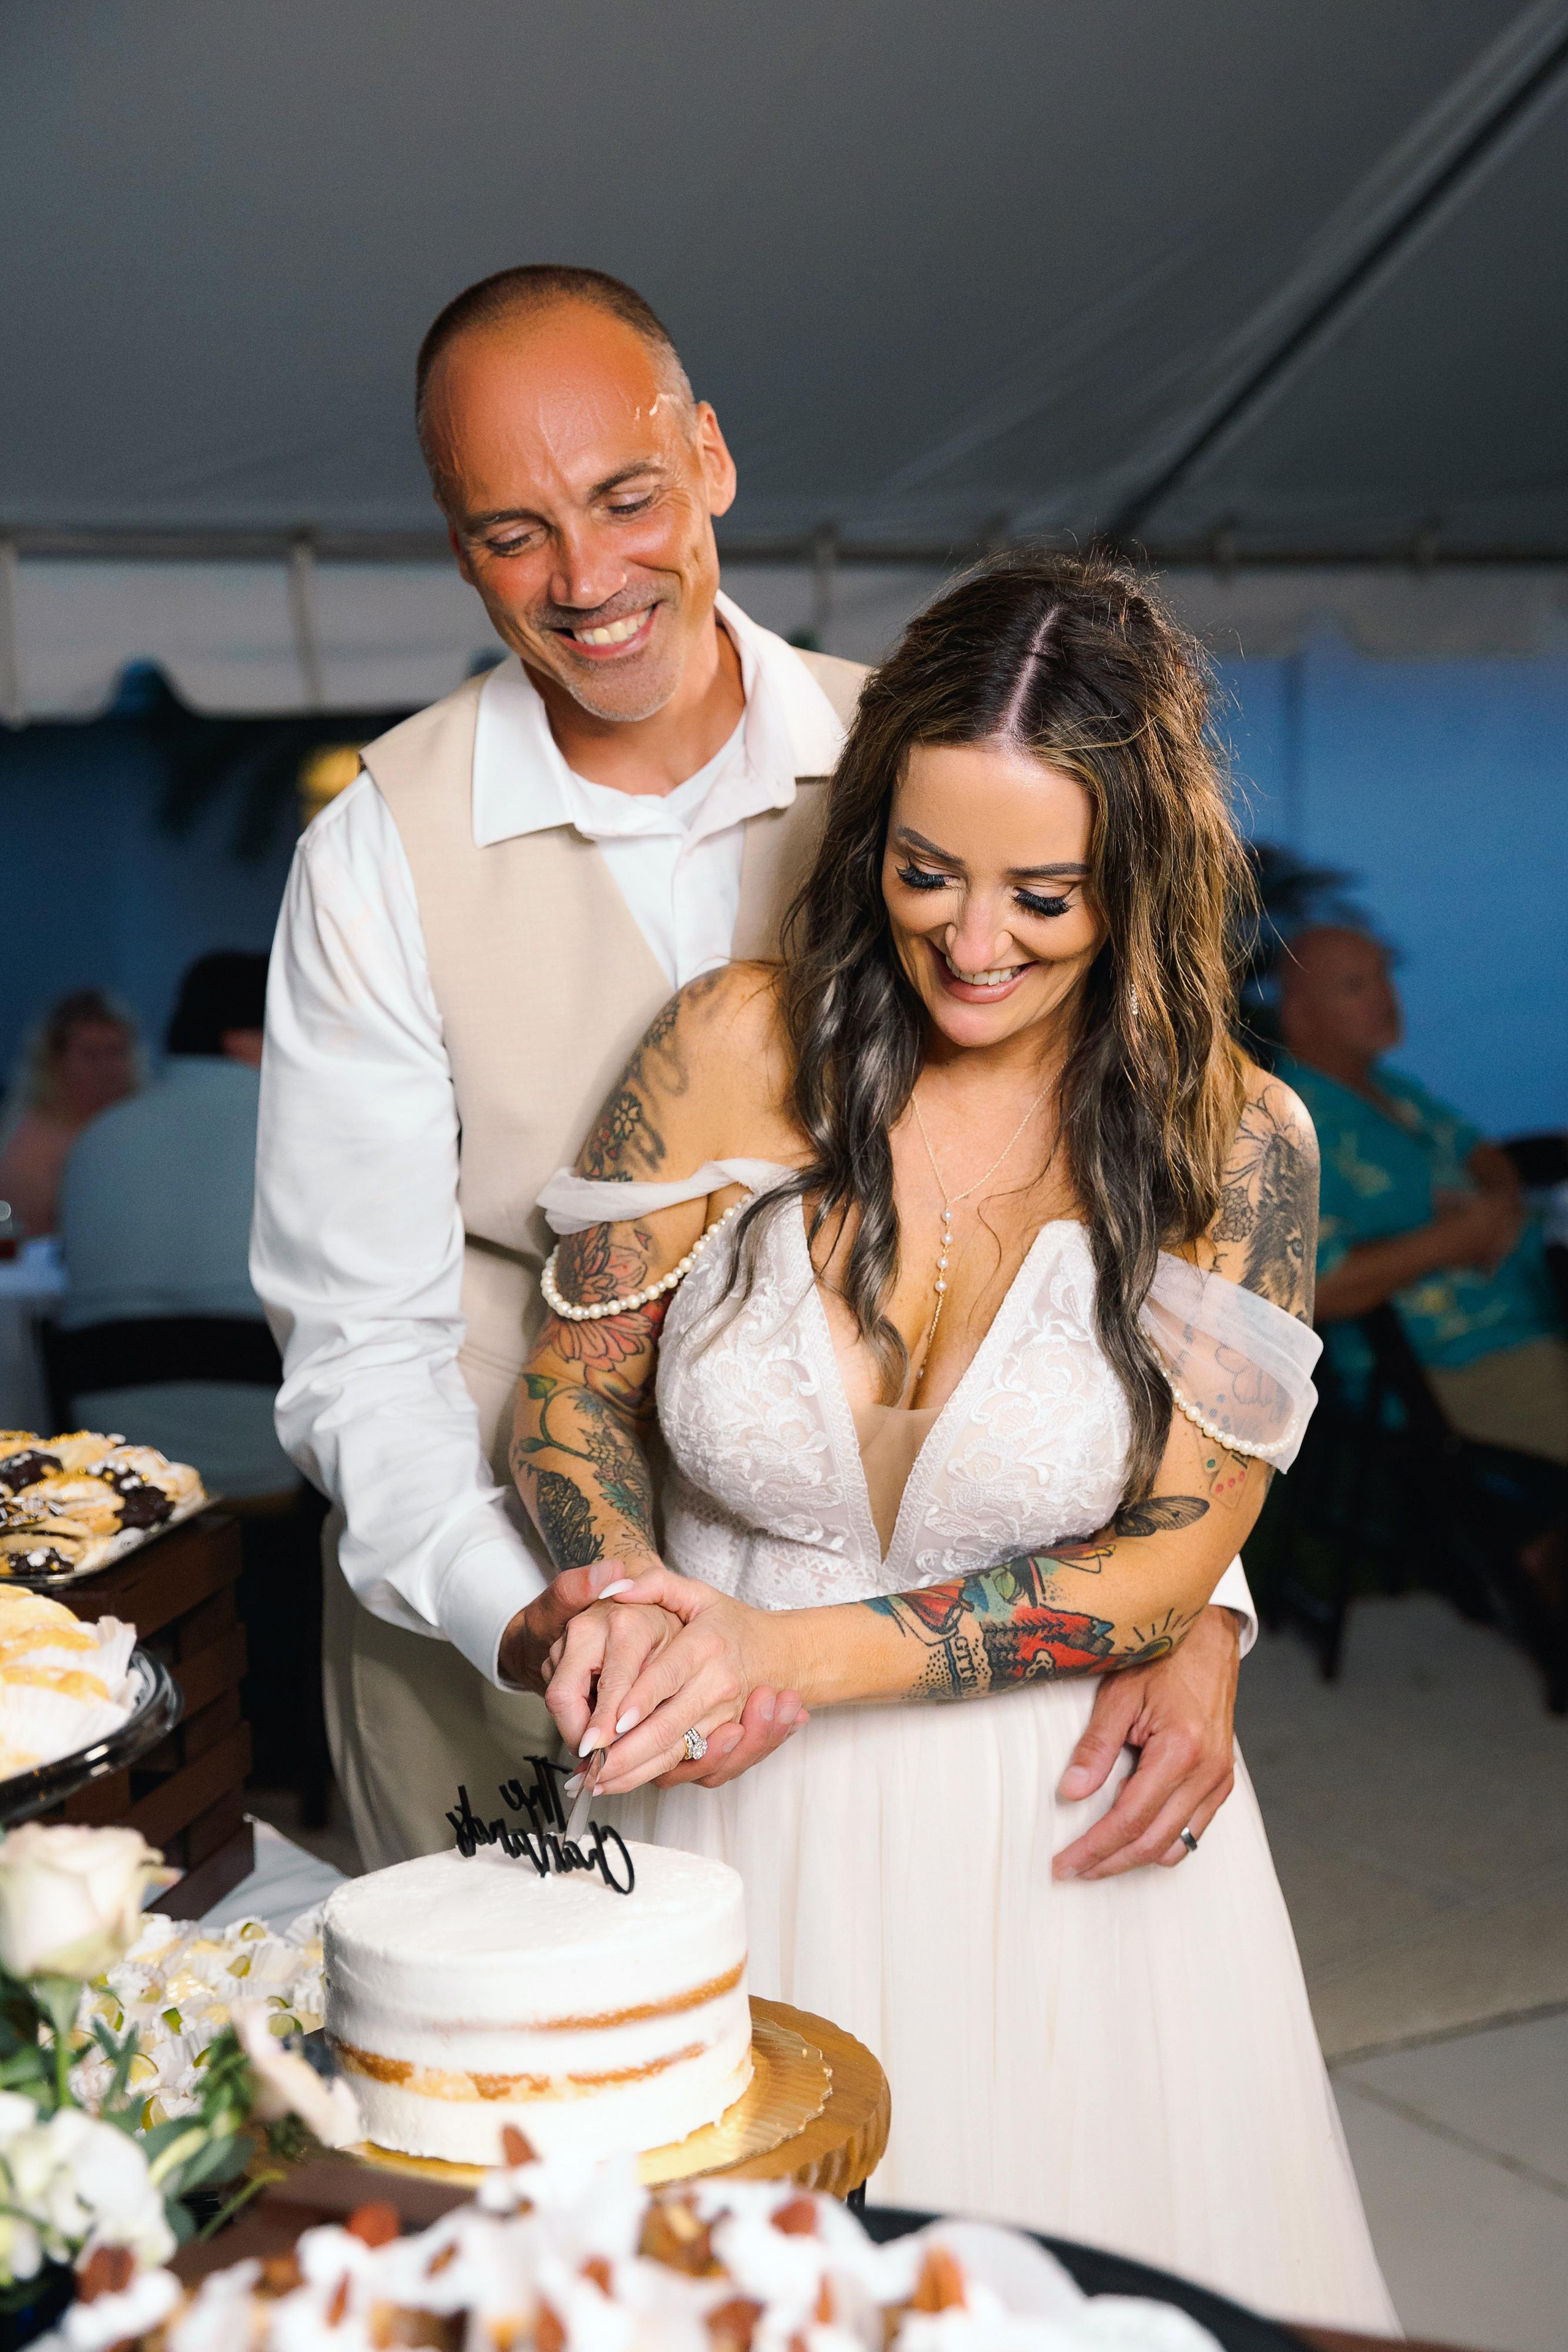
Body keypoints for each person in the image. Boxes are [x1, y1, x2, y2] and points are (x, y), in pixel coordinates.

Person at [252, 265, 1254, 1872]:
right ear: (458, 548)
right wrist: (543, 1623)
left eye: (626, 497)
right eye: (514, 532)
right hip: (497, 1642)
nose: (585, 577)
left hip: (891, 1664)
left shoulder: (936, 762)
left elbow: (1156, 1206)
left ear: (710, 459)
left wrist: (1200, 1603)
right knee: (534, 2111)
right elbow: (363, 1352)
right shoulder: (377, 854)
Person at [518, 554, 1396, 2331]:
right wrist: (614, 1584)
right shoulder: (726, 1049)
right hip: (712, 1817)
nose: (973, 944)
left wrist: (787, 1654)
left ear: (1139, 882)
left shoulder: (1244, 1151)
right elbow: (570, 1387)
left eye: (1044, 897)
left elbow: (1170, 1551)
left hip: (1057, 1843)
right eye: (926, 875)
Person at [58, 952, 320, 1787]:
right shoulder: (301, 1128)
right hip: (261, 1451)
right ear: (260, 1033)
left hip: (121, 1457)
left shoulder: (103, 1134)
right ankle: (291, 1745)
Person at [1276, 924, 1568, 1465]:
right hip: (1446, 1368)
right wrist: (1453, 1240)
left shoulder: (1395, 1092)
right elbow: (1315, 1286)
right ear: (1300, 1012)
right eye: (1355, 986)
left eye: (1385, 977)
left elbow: (1484, 1155)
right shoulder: (1287, 1121)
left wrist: (1499, 1203)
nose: (1385, 998)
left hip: (1531, 1326)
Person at [0, 989, 140, 1240]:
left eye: (116, 1052)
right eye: (90, 1054)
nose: (107, 1069)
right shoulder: (34, 1146)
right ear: (56, 1061)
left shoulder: (142, 1123)